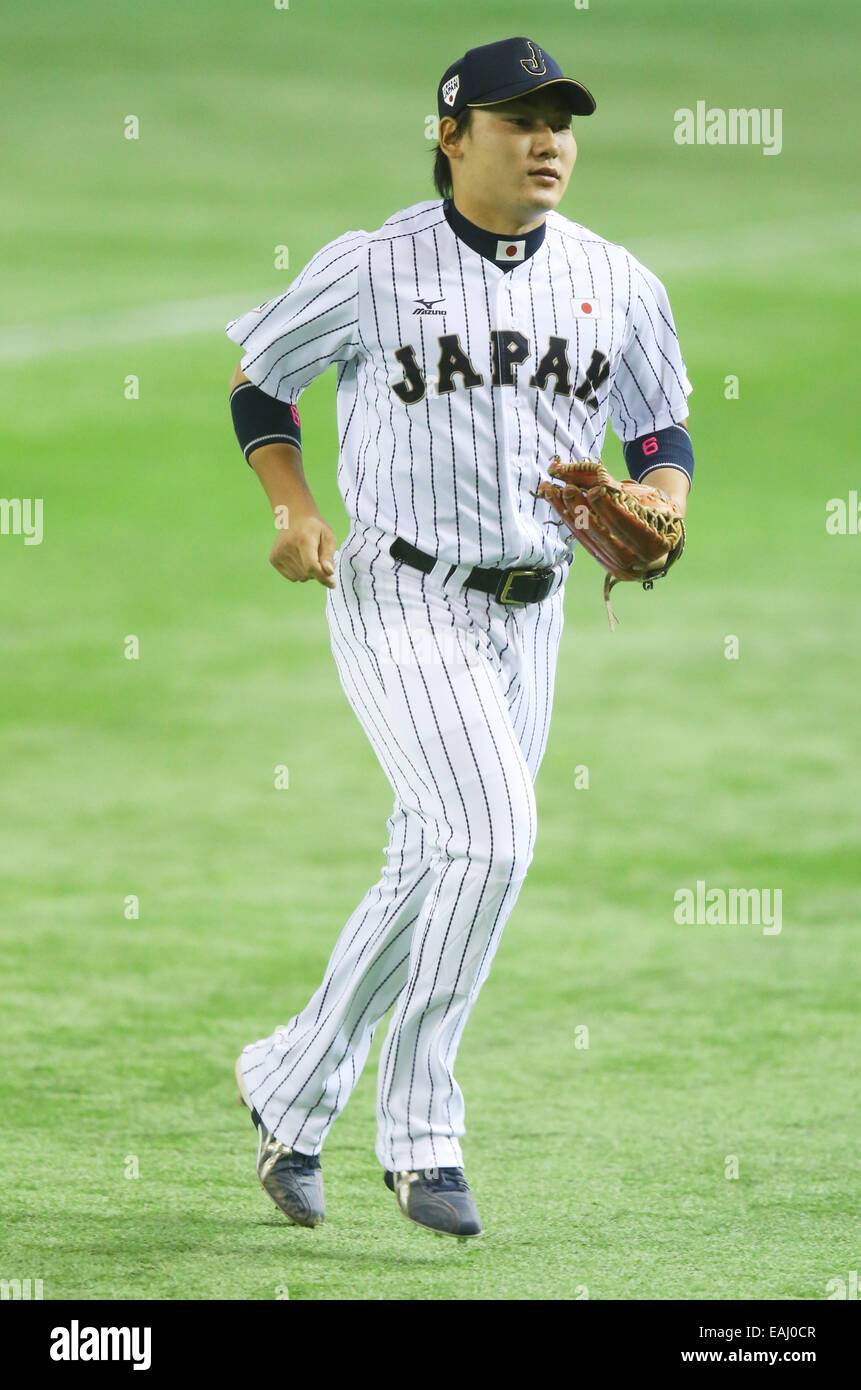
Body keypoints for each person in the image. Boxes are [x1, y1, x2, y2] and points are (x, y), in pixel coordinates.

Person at [225, 35, 694, 1240]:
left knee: (432, 860)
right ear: (451, 137)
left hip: (530, 614)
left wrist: (664, 505)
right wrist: (292, 506)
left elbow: (659, 432)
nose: (546, 142)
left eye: (560, 121)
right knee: (492, 842)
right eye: (516, 120)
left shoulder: (613, 277)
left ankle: (289, 1079)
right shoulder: (371, 267)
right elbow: (262, 378)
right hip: (400, 593)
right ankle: (421, 1130)